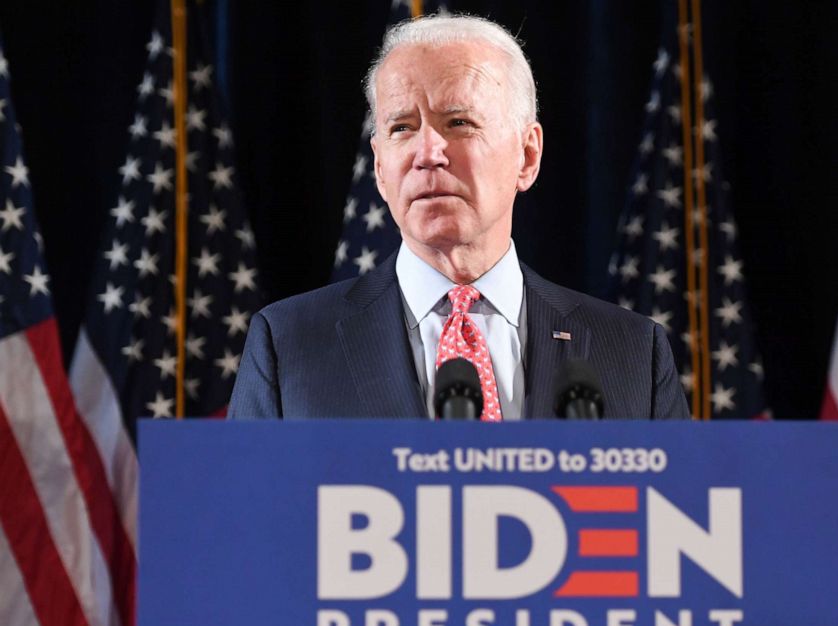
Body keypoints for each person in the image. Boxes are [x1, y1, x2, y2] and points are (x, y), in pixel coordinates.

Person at [229, 14, 688, 421]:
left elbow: (674, 512)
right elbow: (246, 513)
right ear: (380, 169)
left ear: (527, 156)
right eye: (402, 128)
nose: (427, 153)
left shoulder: (632, 353)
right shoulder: (288, 346)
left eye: (459, 122)